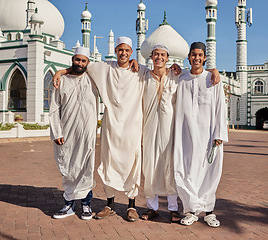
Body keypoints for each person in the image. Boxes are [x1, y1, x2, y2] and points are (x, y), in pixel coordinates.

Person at [53, 37, 148, 222]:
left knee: (133, 164)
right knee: (109, 163)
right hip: (111, 126)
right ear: (116, 49)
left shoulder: (140, 70)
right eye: (120, 49)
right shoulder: (105, 67)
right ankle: (109, 205)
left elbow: (160, 72)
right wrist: (60, 71)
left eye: (127, 50)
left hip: (132, 126)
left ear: (131, 52)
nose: (123, 53)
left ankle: (131, 206)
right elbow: (81, 66)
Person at [173, 42, 228, 227]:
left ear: (205, 58)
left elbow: (221, 108)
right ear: (189, 57)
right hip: (185, 135)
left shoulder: (213, 80)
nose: (197, 58)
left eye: (200, 55)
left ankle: (209, 211)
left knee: (209, 172)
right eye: (193, 55)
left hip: (208, 136)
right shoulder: (181, 79)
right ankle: (190, 211)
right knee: (186, 171)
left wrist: (219, 134)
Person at [49, 47, 98, 220]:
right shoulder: (61, 80)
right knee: (69, 167)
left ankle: (86, 204)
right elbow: (54, 108)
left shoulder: (93, 79)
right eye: (77, 60)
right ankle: (68, 204)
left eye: (83, 61)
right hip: (67, 132)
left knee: (86, 166)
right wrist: (56, 132)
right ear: (72, 60)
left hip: (87, 133)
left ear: (88, 63)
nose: (80, 63)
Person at [141, 44, 183, 223]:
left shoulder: (176, 76)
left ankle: (173, 208)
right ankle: (152, 208)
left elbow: (198, 73)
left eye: (163, 55)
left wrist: (214, 70)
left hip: (169, 131)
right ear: (151, 57)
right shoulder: (143, 77)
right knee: (149, 167)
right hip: (149, 129)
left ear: (168, 58)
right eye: (156, 54)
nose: (159, 57)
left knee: (169, 166)